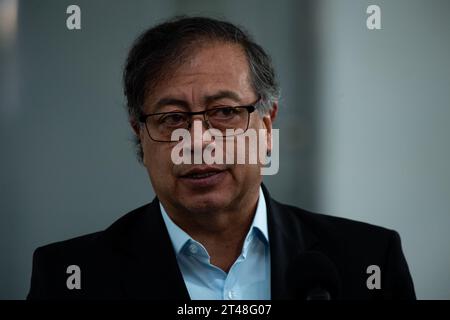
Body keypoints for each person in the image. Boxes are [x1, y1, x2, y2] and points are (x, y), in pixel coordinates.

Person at [27, 16, 415, 300]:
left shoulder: (367, 260)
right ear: (140, 136)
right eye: (172, 118)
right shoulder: (70, 277)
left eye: (225, 112)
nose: (197, 141)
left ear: (266, 124)